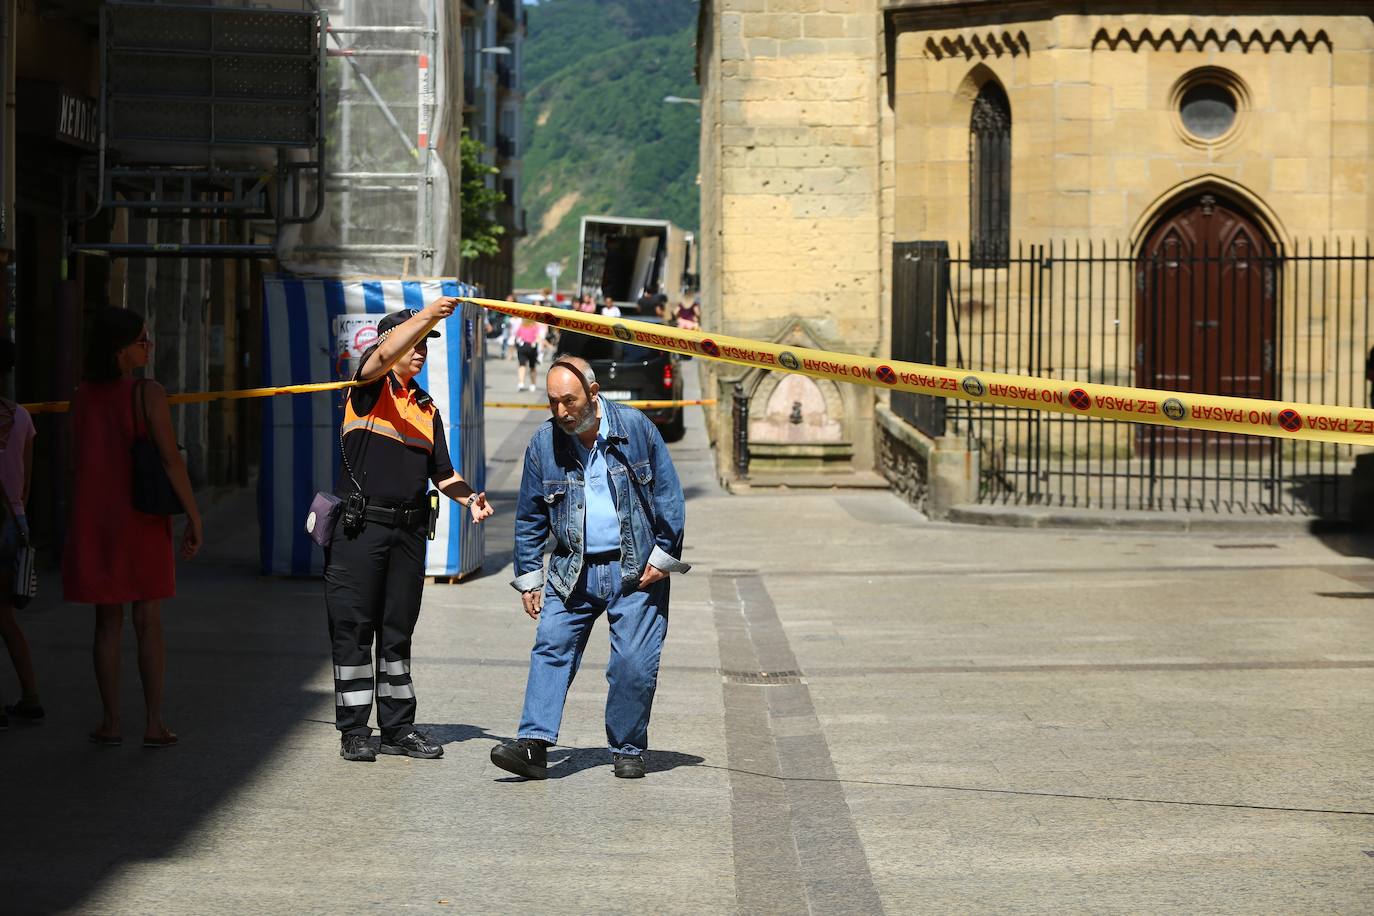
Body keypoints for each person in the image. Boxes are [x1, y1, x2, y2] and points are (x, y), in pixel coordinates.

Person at [490, 355, 689, 780]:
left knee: (633, 664)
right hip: (571, 568)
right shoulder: (544, 444)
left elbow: (670, 497)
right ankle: (534, 745)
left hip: (635, 570)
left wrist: (664, 557)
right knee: (551, 648)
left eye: (569, 401)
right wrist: (530, 576)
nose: (561, 411)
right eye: (553, 402)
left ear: (593, 394)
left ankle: (628, 746)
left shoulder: (636, 430)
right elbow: (529, 516)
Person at [326, 302, 493, 763]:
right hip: (362, 528)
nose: (419, 351)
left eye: (424, 346)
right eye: (413, 343)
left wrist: (470, 498)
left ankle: (398, 728)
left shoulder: (426, 407)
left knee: (397, 632)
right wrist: (428, 317)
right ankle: (355, 731)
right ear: (389, 343)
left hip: (408, 532)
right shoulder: (368, 386)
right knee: (354, 629)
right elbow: (380, 359)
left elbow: (444, 473)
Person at [64, 307, 203, 748]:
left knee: (107, 622)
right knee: (148, 620)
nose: (150, 345)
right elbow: (170, 459)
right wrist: (193, 516)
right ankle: (153, 722)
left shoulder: (82, 394)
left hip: (95, 518)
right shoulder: (148, 393)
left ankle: (110, 721)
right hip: (140, 518)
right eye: (143, 339)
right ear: (120, 349)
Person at [0, 338, 41, 729]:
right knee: (6, 617)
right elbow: (24, 484)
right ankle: (30, 695)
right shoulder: (24, 418)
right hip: (14, 522)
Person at [514, 318, 541, 391]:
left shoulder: (521, 326)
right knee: (532, 367)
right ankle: (533, 384)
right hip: (532, 347)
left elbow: (517, 336)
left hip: (522, 347)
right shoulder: (535, 326)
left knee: (522, 365)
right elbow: (538, 338)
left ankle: (521, 383)